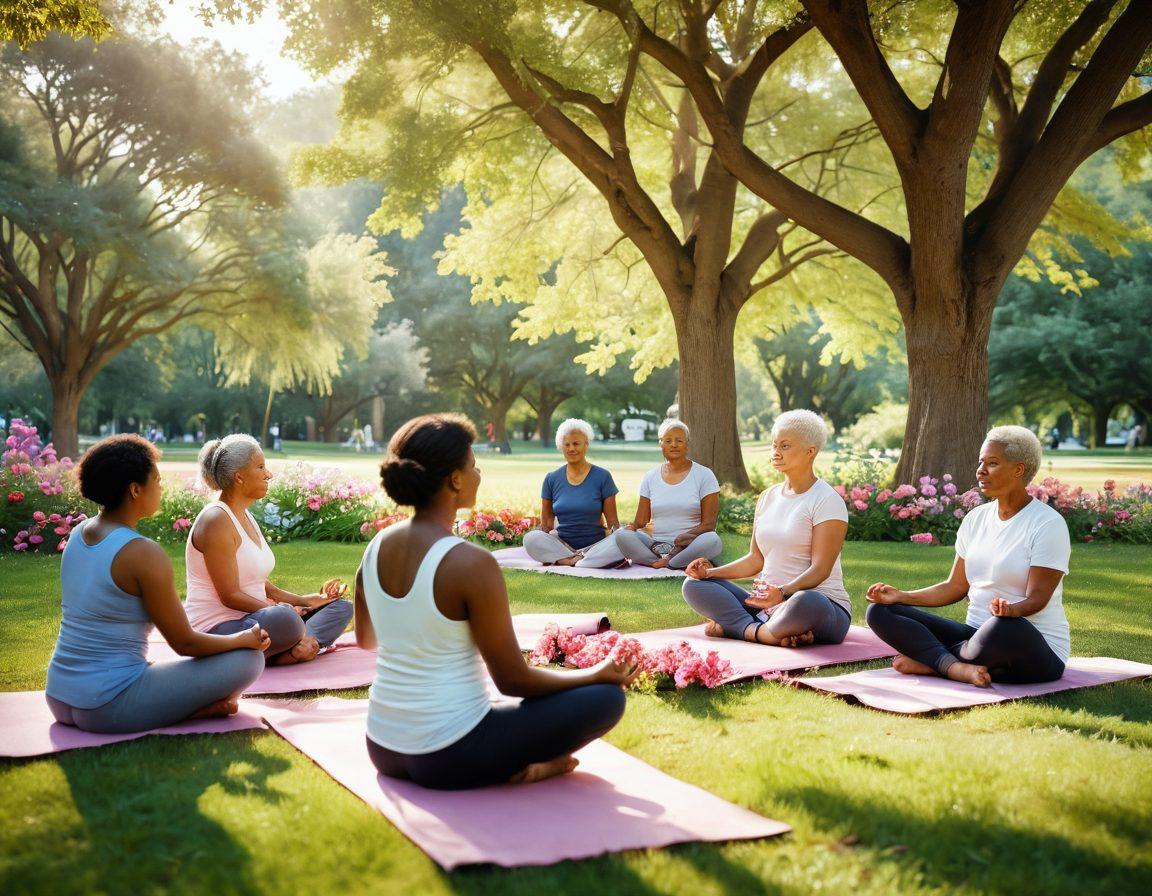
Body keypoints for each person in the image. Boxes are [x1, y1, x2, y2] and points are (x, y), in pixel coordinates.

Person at [356, 413, 637, 790]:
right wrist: (595, 672)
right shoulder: (470, 563)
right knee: (605, 699)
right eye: (473, 466)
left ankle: (514, 759)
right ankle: (531, 768)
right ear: (454, 479)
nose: (478, 474)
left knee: (498, 710)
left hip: (383, 745)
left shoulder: (374, 549)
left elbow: (366, 639)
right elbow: (513, 681)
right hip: (450, 755)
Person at [45, 435, 267, 734]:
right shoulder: (143, 553)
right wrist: (242, 639)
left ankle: (181, 704)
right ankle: (195, 711)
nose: (161, 487)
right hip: (107, 705)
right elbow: (185, 643)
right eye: (157, 480)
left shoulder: (79, 533)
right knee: (249, 660)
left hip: (58, 695)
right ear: (135, 489)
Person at [866, 426, 1071, 687]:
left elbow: (1038, 598)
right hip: (972, 637)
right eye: (980, 462)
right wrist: (901, 596)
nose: (981, 470)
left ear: (1018, 470)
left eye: (992, 463)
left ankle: (935, 662)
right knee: (882, 612)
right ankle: (953, 666)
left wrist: (1011, 610)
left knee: (1003, 627)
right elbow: (955, 586)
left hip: (1031, 646)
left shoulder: (1046, 524)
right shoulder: (976, 519)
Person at [682, 409, 851, 647]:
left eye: (785, 446)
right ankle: (759, 632)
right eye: (774, 445)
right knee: (694, 585)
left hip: (821, 606)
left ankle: (739, 628)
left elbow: (821, 570)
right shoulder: (767, 497)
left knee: (807, 601)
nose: (776, 452)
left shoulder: (826, 500)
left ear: (810, 451)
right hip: (766, 606)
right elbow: (755, 560)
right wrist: (709, 574)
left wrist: (782, 593)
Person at [185, 435, 353, 665]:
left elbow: (263, 585)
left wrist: (307, 601)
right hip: (220, 629)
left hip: (257, 618)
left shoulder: (246, 516)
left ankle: (295, 647)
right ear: (239, 477)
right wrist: (281, 611)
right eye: (261, 467)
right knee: (285, 619)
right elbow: (230, 595)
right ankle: (290, 648)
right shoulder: (216, 519)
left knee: (340, 608)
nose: (269, 474)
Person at [614, 419, 722, 569]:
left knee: (712, 540)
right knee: (621, 535)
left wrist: (684, 538)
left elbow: (709, 524)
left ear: (687, 444)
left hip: (689, 543)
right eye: (668, 440)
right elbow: (641, 520)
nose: (674, 445)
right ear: (661, 444)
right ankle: (662, 561)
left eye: (679, 440)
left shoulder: (705, 475)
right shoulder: (650, 476)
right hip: (657, 546)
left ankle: (669, 562)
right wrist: (629, 528)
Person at [522, 418, 625, 568]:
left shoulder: (603, 476)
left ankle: (579, 559)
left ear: (586, 445)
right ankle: (573, 560)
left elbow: (612, 524)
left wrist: (621, 539)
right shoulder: (551, 479)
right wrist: (540, 540)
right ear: (561, 447)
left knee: (623, 539)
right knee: (530, 539)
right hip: (562, 546)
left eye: (576, 443)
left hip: (596, 546)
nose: (571, 449)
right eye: (567, 444)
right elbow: (546, 525)